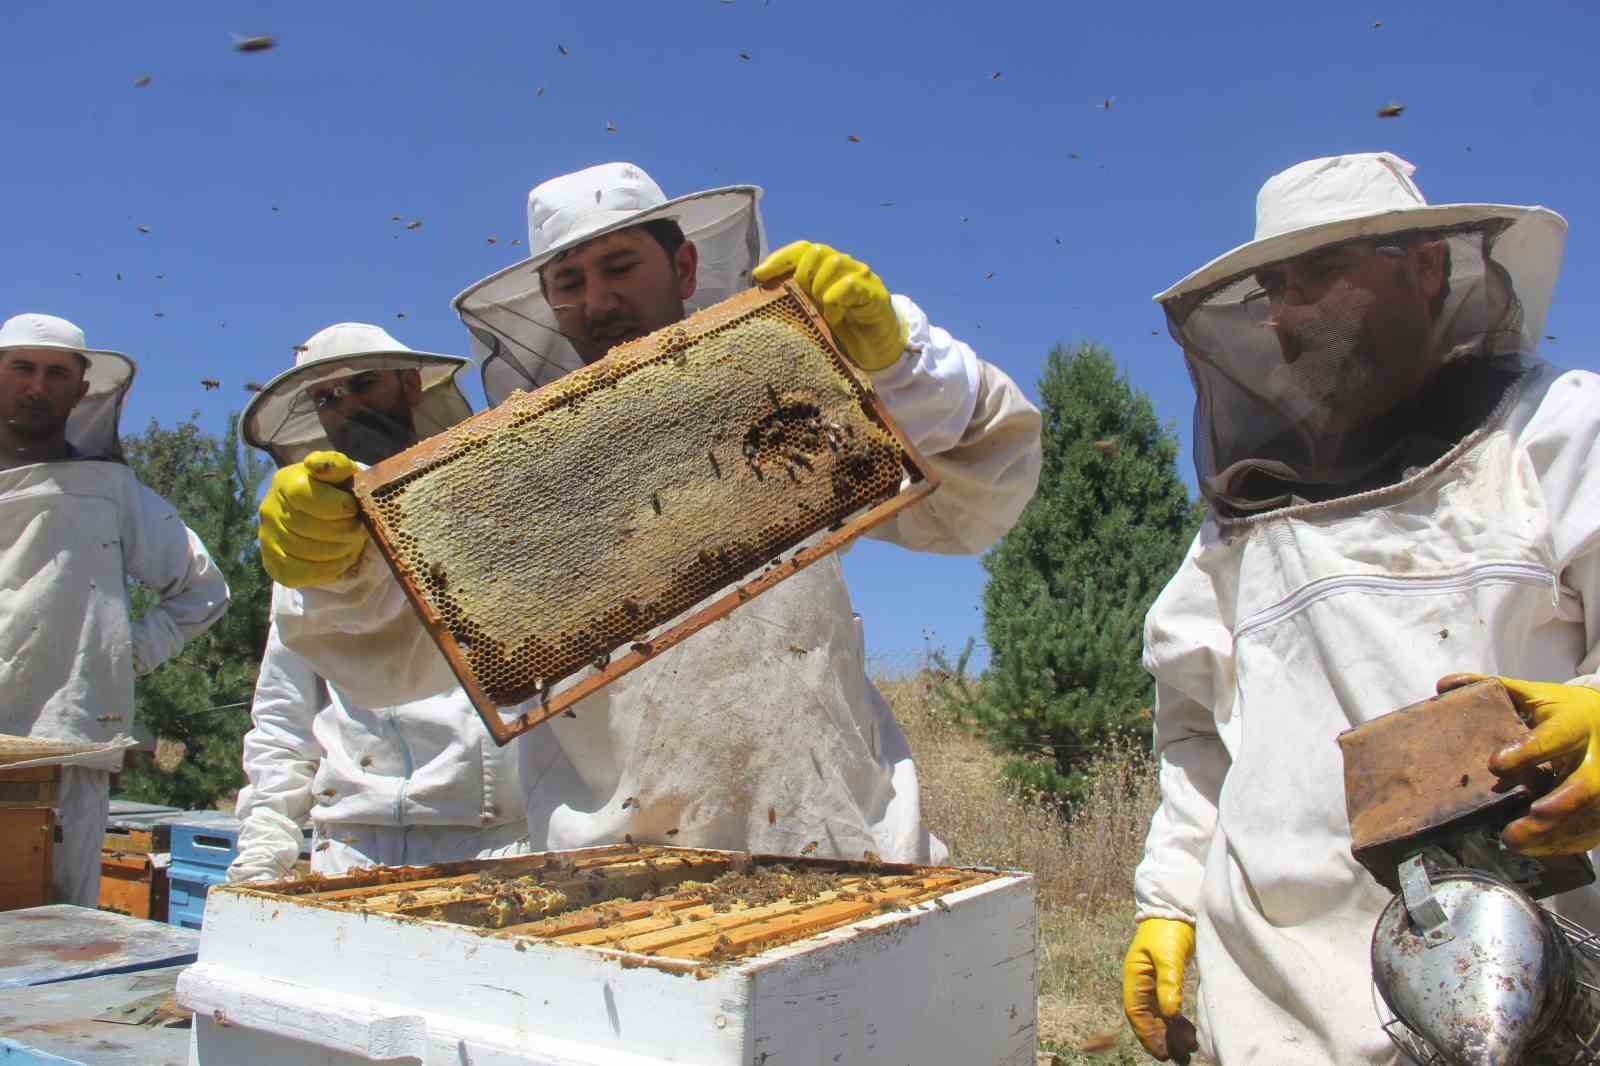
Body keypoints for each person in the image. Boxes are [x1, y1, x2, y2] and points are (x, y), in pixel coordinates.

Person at [256, 162, 1043, 864]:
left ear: (686, 263)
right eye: (569, 283)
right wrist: (342, 573)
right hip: (613, 870)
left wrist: (898, 359)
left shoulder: (782, 387)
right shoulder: (518, 476)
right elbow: (404, 657)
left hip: (843, 835)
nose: (598, 300)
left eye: (620, 265)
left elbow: (984, 493)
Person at [1121, 152, 1600, 1064]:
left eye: (1324, 270)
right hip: (1276, 1001)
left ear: (1426, 268)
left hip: (1516, 984)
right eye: (1274, 283)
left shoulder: (1560, 434)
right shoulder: (1240, 524)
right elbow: (1196, 736)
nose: (1290, 306)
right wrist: (1170, 900)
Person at [229, 323, 547, 879]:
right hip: (347, 846)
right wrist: (265, 847)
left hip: (488, 845)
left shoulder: (491, 506)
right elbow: (283, 715)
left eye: (365, 384)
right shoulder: (310, 535)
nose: (347, 406)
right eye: (327, 398)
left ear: (410, 387)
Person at [0, 312, 229, 905]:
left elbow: (203, 589)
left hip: (70, 744)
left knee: (50, 934)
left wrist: (123, 655)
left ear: (81, 391)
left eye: (56, 374)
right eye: (21, 368)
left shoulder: (110, 489)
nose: (36, 386)